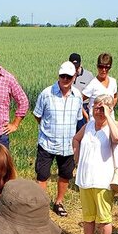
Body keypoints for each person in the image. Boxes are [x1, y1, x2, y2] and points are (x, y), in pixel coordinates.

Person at [73, 94, 118, 234]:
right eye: (96, 107)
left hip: (103, 180)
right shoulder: (88, 126)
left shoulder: (113, 126)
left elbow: (117, 138)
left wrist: (107, 114)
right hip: (85, 178)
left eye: (102, 108)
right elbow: (76, 139)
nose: (98, 111)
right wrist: (77, 158)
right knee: (88, 216)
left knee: (104, 217)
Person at [33, 61, 83, 216]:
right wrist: (48, 129)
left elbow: (78, 118)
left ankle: (58, 202)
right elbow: (37, 115)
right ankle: (41, 206)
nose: (65, 79)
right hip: (47, 142)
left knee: (65, 175)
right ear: (59, 76)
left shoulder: (78, 96)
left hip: (68, 144)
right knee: (42, 175)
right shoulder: (46, 93)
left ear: (74, 77)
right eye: (63, 76)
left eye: (69, 76)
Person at [82, 52, 118, 117]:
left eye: (106, 67)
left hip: (110, 122)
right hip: (95, 123)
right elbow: (79, 100)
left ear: (110, 67)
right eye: (101, 67)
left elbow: (115, 97)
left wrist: (110, 108)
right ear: (97, 66)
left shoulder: (113, 82)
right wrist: (87, 117)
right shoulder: (93, 84)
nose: (103, 70)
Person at [68, 53, 94, 132]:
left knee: (82, 132)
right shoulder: (66, 75)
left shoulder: (89, 75)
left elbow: (92, 94)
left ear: (80, 64)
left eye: (77, 66)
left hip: (84, 108)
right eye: (73, 66)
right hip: (69, 107)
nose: (75, 69)